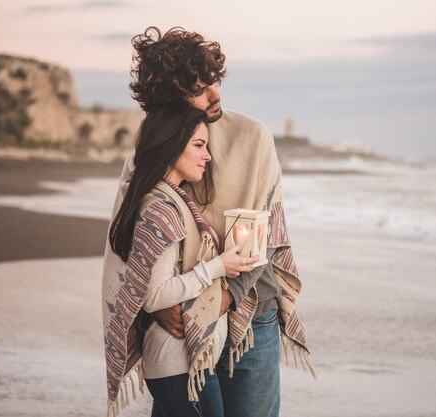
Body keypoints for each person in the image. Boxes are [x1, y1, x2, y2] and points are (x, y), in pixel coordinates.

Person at [107, 26, 314, 417]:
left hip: (251, 315)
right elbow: (134, 237)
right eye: (200, 89)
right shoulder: (151, 148)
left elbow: (262, 238)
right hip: (175, 321)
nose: (216, 94)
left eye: (214, 81)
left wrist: (218, 302)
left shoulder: (253, 137)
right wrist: (154, 308)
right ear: (170, 102)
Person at [101, 106, 258, 417]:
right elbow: (154, 297)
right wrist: (218, 267)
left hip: (185, 362)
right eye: (198, 145)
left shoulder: (173, 200)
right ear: (171, 147)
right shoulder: (162, 209)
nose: (208, 156)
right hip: (178, 363)